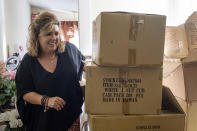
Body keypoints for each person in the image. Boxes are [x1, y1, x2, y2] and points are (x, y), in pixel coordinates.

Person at [15, 11, 85, 131]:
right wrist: (47, 100)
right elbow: (25, 92)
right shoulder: (29, 61)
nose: (54, 38)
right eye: (48, 34)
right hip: (43, 121)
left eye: (56, 33)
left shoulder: (69, 50)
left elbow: (84, 66)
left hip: (71, 119)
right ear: (37, 36)